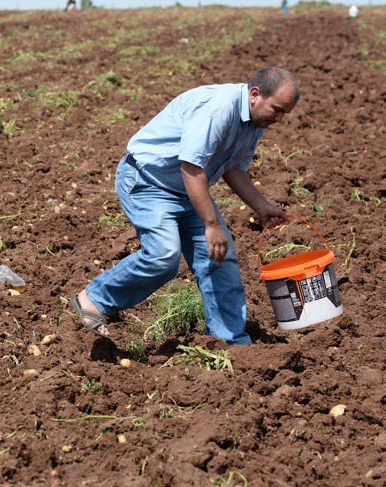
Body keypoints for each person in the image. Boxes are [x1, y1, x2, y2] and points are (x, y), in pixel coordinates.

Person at [72, 67, 300, 344]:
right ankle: (94, 298)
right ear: (255, 94)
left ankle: (228, 342)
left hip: (187, 190)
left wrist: (261, 206)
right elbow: (191, 168)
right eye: (277, 109)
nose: (278, 119)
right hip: (148, 182)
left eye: (284, 114)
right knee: (163, 257)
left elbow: (234, 169)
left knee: (220, 259)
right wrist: (211, 224)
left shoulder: (253, 122)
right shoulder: (218, 108)